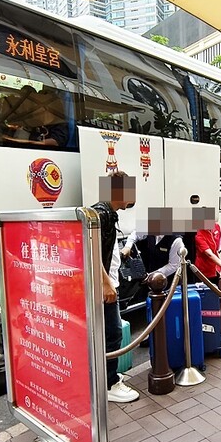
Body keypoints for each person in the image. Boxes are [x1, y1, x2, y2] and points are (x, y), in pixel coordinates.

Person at [92, 173, 140, 404]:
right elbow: (93, 253)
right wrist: (106, 284)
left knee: (105, 333)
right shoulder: (103, 214)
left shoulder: (104, 212)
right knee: (112, 334)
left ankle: (104, 378)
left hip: (106, 283)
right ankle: (109, 383)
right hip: (104, 286)